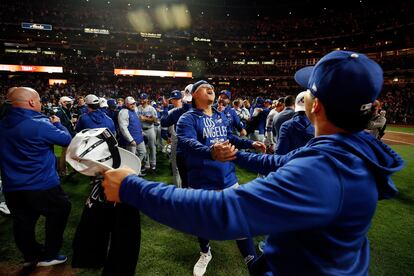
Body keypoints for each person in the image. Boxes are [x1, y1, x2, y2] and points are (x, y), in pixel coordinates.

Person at [102, 51, 404, 275]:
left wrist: (131, 187)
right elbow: (284, 161)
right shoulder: (350, 149)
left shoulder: (325, 169)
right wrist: (236, 153)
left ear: (317, 106)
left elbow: (224, 212)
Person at [176, 80, 265, 276]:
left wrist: (250, 143)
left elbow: (230, 138)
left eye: (212, 88)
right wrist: (211, 152)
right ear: (194, 95)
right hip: (201, 181)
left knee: (239, 221)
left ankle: (252, 264)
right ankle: (205, 252)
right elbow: (188, 143)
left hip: (228, 178)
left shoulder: (220, 115)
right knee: (202, 222)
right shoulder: (187, 118)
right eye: (205, 87)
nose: (211, 89)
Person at [0, 87, 72, 267]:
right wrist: (57, 124)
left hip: (12, 186)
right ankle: (50, 254)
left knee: (23, 221)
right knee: (60, 209)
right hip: (41, 183)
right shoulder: (39, 124)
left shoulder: (2, 123)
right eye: (39, 100)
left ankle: (31, 256)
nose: (40, 103)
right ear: (32, 102)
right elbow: (66, 140)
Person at [72, 97, 140, 275]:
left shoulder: (84, 118)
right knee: (121, 225)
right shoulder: (108, 118)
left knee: (97, 211)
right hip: (113, 168)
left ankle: (90, 257)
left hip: (103, 170)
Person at [160, 86, 193, 188]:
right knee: (178, 169)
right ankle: (181, 191)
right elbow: (164, 124)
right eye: (173, 99)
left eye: (177, 99)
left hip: (184, 141)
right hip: (178, 139)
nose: (175, 101)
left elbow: (164, 122)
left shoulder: (176, 112)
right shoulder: (174, 112)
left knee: (184, 169)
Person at [118, 96, 146, 167]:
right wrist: (130, 140)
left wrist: (141, 131)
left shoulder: (134, 110)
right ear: (126, 104)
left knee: (143, 152)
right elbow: (123, 128)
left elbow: (136, 122)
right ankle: (132, 172)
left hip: (139, 137)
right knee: (132, 158)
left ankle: (136, 168)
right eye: (131, 104)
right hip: (131, 140)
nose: (133, 105)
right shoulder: (123, 112)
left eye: (134, 103)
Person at [137, 93, 158, 171]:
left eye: (144, 99)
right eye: (141, 99)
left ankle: (153, 163)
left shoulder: (151, 108)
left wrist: (145, 118)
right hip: (141, 130)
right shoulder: (138, 108)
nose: (142, 100)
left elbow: (156, 120)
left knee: (152, 147)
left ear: (147, 100)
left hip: (150, 129)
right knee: (144, 148)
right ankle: (147, 164)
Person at [56, 96, 76, 177]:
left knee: (72, 152)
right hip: (65, 135)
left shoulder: (66, 111)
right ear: (63, 103)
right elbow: (59, 125)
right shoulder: (60, 112)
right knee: (65, 153)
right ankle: (63, 171)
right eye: (68, 102)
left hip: (70, 133)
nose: (70, 104)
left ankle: (73, 169)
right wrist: (70, 122)